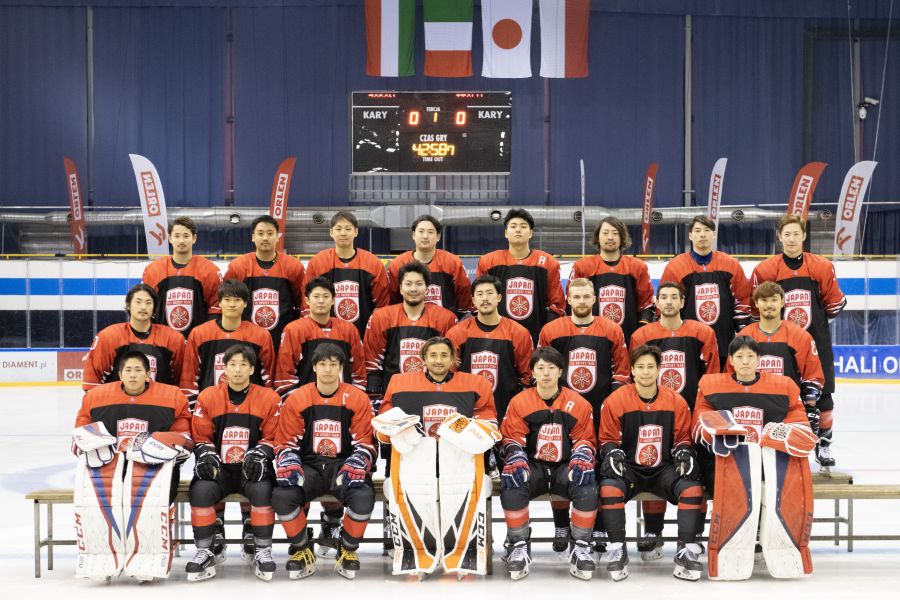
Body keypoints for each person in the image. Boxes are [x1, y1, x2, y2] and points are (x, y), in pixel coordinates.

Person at [376, 336, 498, 577]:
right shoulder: (400, 383)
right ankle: (417, 554)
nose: (439, 360)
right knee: (413, 497)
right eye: (433, 355)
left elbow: (490, 422)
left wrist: (468, 429)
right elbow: (383, 423)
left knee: (462, 497)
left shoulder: (476, 384)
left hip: (459, 460)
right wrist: (398, 429)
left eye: (444, 355)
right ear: (423, 359)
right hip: (415, 460)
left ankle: (463, 555)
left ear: (453, 359)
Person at [537, 277, 629, 554]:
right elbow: (543, 370)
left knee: (599, 467)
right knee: (560, 462)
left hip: (600, 410)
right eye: (575, 297)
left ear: (595, 299)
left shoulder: (611, 329)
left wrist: (610, 408)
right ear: (568, 300)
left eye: (586, 297)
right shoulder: (552, 330)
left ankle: (599, 526)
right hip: (563, 411)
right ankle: (561, 525)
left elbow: (622, 372)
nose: (580, 301)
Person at [598, 345, 705, 581]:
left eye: (650, 367)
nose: (645, 372)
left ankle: (685, 548)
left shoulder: (676, 401)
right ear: (632, 371)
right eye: (640, 367)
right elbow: (607, 438)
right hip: (630, 469)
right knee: (608, 487)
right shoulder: (616, 400)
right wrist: (611, 452)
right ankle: (617, 548)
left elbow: (683, 439)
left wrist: (684, 453)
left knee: (692, 488)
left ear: (659, 370)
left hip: (663, 469)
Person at [627, 280, 719, 554]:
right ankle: (653, 531)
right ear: (656, 303)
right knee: (653, 466)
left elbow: (713, 377)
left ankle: (695, 534)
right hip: (654, 412)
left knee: (696, 474)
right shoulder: (642, 336)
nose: (668, 302)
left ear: (682, 302)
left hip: (692, 415)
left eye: (673, 297)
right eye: (663, 297)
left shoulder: (703, 332)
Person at [272, 344, 376, 580]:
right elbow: (285, 442)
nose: (328, 370)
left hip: (343, 465)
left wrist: (360, 459)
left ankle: (347, 549)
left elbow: (365, 442)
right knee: (282, 496)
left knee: (363, 497)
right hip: (308, 465)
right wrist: (288, 460)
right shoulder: (297, 398)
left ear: (341, 368)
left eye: (333, 364)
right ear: (314, 367)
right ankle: (302, 549)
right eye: (322, 364)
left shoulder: (357, 398)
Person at [751, 214, 846, 467]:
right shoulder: (766, 270)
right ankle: (775, 443)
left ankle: (823, 446)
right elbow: (758, 307)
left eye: (796, 234)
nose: (792, 239)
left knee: (823, 396)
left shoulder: (822, 267)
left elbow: (833, 304)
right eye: (787, 234)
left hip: (817, 343)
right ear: (780, 237)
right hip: (780, 343)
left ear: (804, 236)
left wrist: (813, 326)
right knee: (777, 395)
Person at [499, 347, 598, 581]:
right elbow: (511, 437)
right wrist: (515, 455)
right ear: (532, 371)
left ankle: (581, 545)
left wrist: (582, 455)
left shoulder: (578, 403)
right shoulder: (520, 402)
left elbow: (585, 438)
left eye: (551, 368)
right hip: (534, 465)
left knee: (586, 484)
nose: (545, 373)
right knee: (512, 482)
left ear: (561, 371)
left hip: (565, 465)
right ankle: (519, 545)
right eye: (540, 368)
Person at [186, 345, 280, 582]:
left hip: (252, 470)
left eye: (243, 365)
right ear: (224, 368)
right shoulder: (208, 396)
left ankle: (262, 549)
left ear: (252, 368)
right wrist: (206, 453)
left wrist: (260, 454)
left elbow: (274, 435)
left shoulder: (268, 398)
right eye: (232, 364)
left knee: (263, 491)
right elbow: (200, 435)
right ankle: (205, 549)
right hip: (221, 468)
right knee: (200, 491)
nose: (237, 370)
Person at [692, 336, 814, 493]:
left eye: (750, 356)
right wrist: (713, 434)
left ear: (758, 360)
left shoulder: (784, 387)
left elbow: (799, 420)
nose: (745, 362)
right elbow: (699, 420)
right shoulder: (710, 386)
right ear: (730, 360)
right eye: (739, 356)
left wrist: (783, 435)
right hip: (726, 461)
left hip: (768, 462)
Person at [75, 350, 191, 500]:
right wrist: (88, 446)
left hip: (156, 467)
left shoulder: (173, 397)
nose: (133, 375)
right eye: (128, 370)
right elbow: (80, 432)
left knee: (155, 502)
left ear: (148, 375)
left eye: (138, 370)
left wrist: (162, 449)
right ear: (120, 374)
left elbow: (183, 437)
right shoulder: (95, 397)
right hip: (109, 467)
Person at [731, 281, 825, 437]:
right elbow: (733, 375)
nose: (769, 304)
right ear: (756, 303)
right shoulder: (744, 336)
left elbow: (812, 373)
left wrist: (810, 408)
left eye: (774, 299)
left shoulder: (799, 335)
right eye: (764, 300)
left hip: (787, 409)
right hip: (751, 410)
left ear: (782, 302)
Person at [660, 215, 751, 369]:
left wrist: (742, 333)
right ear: (690, 235)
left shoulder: (730, 264)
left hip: (724, 342)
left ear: (714, 234)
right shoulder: (675, 267)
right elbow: (666, 304)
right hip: (688, 342)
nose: (702, 234)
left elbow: (742, 300)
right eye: (697, 230)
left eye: (707, 230)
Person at [364, 261, 457, 406]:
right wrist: (376, 394)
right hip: (394, 396)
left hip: (432, 396)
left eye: (419, 284)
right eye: (408, 284)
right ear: (400, 288)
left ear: (427, 288)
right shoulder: (382, 317)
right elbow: (372, 362)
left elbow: (450, 362)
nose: (413, 289)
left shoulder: (445, 319)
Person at [445, 274, 532, 423]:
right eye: (479, 294)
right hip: (466, 410)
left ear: (499, 297)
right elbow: (450, 377)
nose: (485, 298)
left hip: (505, 409)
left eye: (490, 293)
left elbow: (525, 377)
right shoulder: (457, 333)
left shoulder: (518, 333)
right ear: (473, 300)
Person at [476, 208, 565, 345]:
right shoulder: (489, 261)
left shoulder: (548, 263)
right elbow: (480, 302)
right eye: (513, 226)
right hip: (498, 339)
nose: (518, 230)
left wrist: (545, 338)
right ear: (506, 233)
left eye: (523, 227)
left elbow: (556, 305)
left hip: (536, 340)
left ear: (530, 233)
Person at [181, 280, 275, 407]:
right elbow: (189, 378)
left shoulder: (261, 336)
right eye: (227, 299)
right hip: (210, 406)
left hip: (251, 408)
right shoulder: (199, 334)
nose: (232, 304)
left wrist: (264, 406)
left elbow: (269, 379)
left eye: (237, 300)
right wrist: (194, 408)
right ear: (219, 302)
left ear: (246, 303)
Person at [82, 283, 185, 392]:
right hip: (120, 407)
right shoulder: (108, 337)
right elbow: (92, 382)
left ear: (155, 307)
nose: (143, 307)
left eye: (148, 302)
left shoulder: (173, 339)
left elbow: (181, 381)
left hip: (159, 407)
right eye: (138, 302)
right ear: (128, 305)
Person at [224, 215, 305, 353]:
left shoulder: (293, 266)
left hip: (282, 339)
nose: (265, 238)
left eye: (270, 233)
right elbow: (227, 303)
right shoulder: (238, 266)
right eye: (260, 233)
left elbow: (301, 303)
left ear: (278, 236)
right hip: (245, 340)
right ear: (253, 237)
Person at [304, 210, 390, 340]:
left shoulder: (373, 263)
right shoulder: (318, 262)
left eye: (348, 229)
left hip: (362, 337)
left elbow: (382, 306)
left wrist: (373, 336)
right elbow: (307, 302)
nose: (343, 233)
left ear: (356, 232)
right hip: (325, 338)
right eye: (338, 229)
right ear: (331, 232)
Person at [568, 217, 655, 344]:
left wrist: (640, 334)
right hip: (591, 339)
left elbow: (647, 304)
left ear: (622, 237)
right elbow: (570, 303)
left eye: (615, 233)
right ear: (598, 237)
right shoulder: (582, 266)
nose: (610, 237)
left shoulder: (637, 267)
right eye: (605, 233)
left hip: (628, 340)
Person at [275, 277, 366, 398]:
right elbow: (285, 375)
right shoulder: (294, 330)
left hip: (343, 403)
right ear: (307, 300)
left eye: (326, 296)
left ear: (333, 300)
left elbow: (358, 371)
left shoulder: (349, 330)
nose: (321, 301)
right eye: (316, 296)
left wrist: (354, 399)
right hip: (306, 403)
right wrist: (299, 403)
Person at [141, 216, 222, 336]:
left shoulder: (209, 270)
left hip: (196, 342)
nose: (181, 241)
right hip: (162, 343)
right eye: (177, 236)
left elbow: (216, 308)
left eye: (186, 236)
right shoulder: (153, 270)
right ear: (169, 238)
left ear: (194, 238)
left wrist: (204, 338)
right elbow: (146, 307)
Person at [386, 214, 472, 318]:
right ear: (413, 235)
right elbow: (393, 301)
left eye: (430, 232)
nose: (425, 236)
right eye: (421, 231)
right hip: (409, 327)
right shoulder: (398, 264)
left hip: (445, 327)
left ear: (438, 236)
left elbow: (464, 299)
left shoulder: (452, 263)